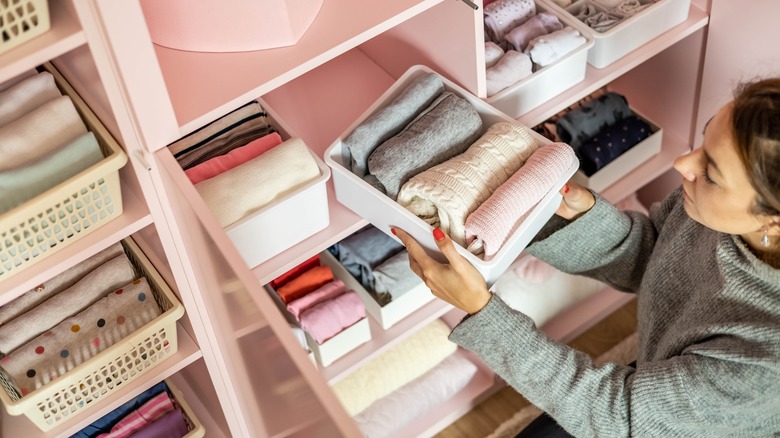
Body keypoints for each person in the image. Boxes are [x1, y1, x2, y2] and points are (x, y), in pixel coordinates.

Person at [391, 77, 780, 437]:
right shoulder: (714, 212)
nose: (684, 164)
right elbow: (660, 260)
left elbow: (615, 415)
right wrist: (573, 218)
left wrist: (482, 310)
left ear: (773, 223)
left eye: (710, 172)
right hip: (656, 395)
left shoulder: (762, 363)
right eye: (703, 141)